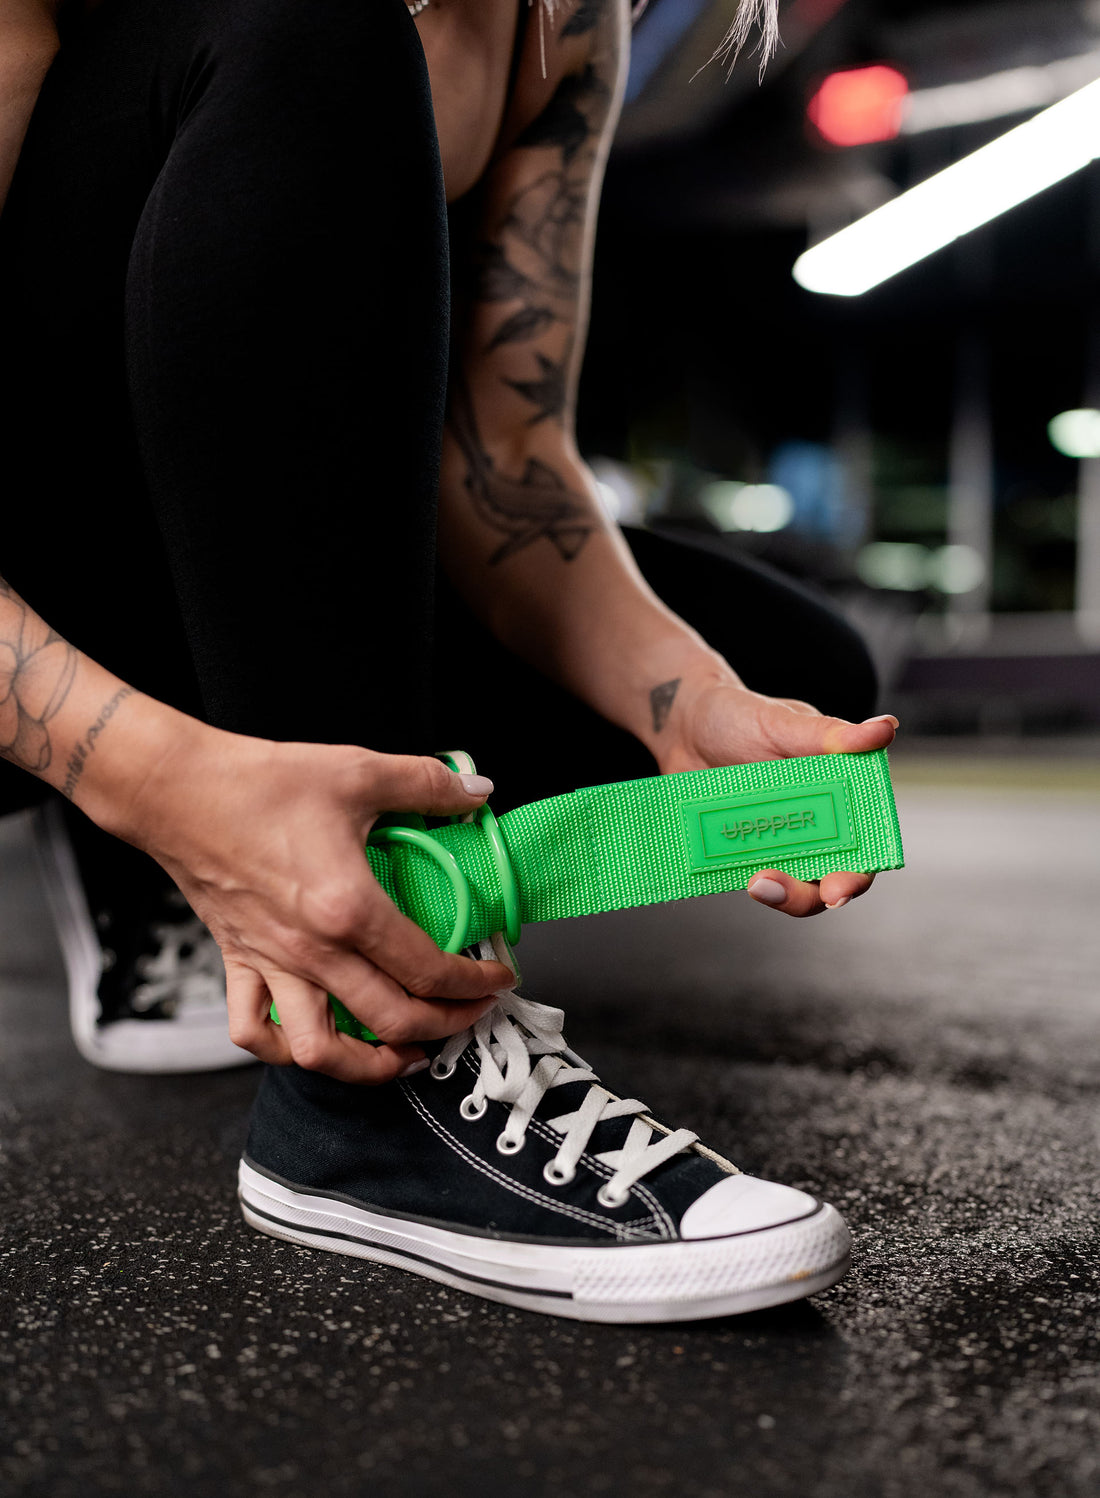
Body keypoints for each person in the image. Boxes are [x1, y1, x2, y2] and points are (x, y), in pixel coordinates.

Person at [0, 0, 896, 1321]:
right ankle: (367, 1092)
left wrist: (689, 697)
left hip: (225, 556)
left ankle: (244, 821)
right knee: (308, 26)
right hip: (41, 576)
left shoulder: (563, 20)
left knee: (793, 657)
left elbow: (502, 466)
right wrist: (154, 779)